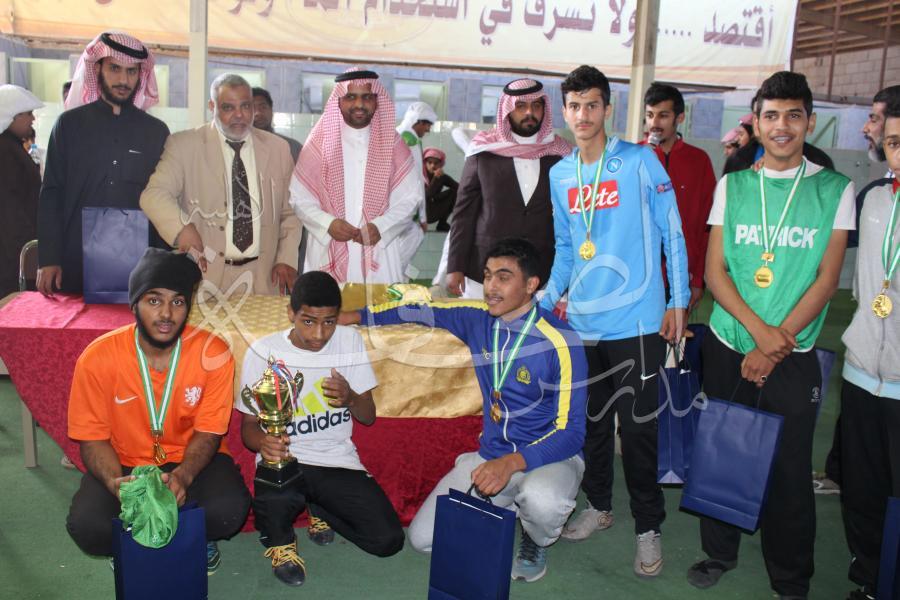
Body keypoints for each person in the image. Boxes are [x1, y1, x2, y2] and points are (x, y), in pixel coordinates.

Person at [686, 71, 855, 599]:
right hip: (730, 342)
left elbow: (826, 280)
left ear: (809, 122)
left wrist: (774, 342)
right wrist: (758, 335)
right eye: (772, 116)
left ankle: (790, 576)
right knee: (723, 449)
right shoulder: (734, 185)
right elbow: (715, 272)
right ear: (756, 125)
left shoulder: (835, 189)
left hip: (792, 350)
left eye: (793, 115)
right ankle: (719, 552)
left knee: (788, 467)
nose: (782, 126)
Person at [342, 238, 586, 583]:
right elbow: (420, 312)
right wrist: (355, 316)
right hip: (491, 456)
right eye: (487, 275)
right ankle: (511, 505)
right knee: (423, 539)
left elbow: (572, 433)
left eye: (503, 277)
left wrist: (512, 463)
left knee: (542, 499)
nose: (491, 286)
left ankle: (535, 535)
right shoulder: (478, 321)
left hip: (549, 459)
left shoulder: (561, 340)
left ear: (531, 284)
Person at [541, 65, 689, 579]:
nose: (583, 115)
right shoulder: (561, 174)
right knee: (593, 426)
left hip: (637, 322)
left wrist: (678, 301)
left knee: (641, 431)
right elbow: (566, 249)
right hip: (583, 324)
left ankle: (648, 527)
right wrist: (546, 300)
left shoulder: (640, 161)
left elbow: (673, 232)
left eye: (592, 105)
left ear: (607, 108)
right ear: (565, 112)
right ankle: (599, 506)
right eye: (574, 106)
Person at [66, 248, 251, 573]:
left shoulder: (214, 354)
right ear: (134, 304)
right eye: (154, 300)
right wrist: (115, 484)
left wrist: (183, 476)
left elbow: (209, 432)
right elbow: (92, 438)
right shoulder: (97, 358)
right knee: (88, 526)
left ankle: (198, 537)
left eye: (178, 302)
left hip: (189, 457)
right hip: (124, 460)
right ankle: (128, 542)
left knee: (229, 511)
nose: (166, 313)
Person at [238, 271, 403, 587]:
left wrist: (350, 397)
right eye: (308, 321)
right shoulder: (262, 351)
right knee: (273, 495)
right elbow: (247, 428)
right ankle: (282, 543)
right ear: (291, 313)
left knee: (387, 541)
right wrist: (264, 443)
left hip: (336, 460)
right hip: (285, 461)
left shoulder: (349, 341)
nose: (319, 334)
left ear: (338, 317)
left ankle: (320, 508)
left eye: (329, 322)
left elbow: (368, 416)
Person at [140, 73, 301, 296]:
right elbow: (153, 195)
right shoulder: (184, 145)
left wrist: (286, 258)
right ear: (212, 106)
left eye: (246, 106)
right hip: (204, 278)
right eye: (228, 107)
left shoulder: (278, 149)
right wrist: (182, 228)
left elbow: (290, 212)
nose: (239, 115)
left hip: (263, 279)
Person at [37, 31, 170, 296]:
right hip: (75, 257)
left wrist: (163, 268)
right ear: (97, 68)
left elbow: (164, 197)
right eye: (114, 69)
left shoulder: (155, 132)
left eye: (132, 71)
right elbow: (51, 193)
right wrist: (49, 258)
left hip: (139, 264)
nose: (123, 80)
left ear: (141, 75)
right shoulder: (69, 125)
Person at [838, 101, 900, 600]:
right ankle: (871, 579)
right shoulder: (874, 197)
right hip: (861, 372)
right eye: (895, 143)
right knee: (863, 491)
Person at [290, 68, 422, 284]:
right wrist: (328, 224)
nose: (359, 104)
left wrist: (381, 226)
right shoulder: (318, 144)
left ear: (377, 101)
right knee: (329, 305)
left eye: (367, 97)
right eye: (351, 97)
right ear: (339, 101)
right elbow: (299, 198)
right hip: (326, 252)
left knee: (379, 306)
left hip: (379, 252)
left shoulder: (394, 145)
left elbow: (411, 199)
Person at [446, 78, 571, 299]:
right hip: (485, 271)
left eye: (536, 105)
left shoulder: (561, 155)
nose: (529, 112)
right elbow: (463, 215)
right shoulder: (483, 153)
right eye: (521, 106)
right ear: (507, 110)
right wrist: (455, 266)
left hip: (541, 273)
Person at [642, 82, 716, 312]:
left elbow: (706, 226)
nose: (655, 123)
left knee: (673, 335)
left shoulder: (699, 161)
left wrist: (697, 280)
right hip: (638, 275)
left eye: (663, 115)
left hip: (680, 275)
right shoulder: (632, 156)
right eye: (650, 115)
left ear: (680, 118)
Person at [0, 85, 43, 297]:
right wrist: (25, 256)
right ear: (13, 116)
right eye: (28, 113)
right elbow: (10, 211)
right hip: (12, 257)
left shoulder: (12, 146)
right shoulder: (5, 151)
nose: (32, 119)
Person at [395, 101, 438, 277]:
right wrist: (422, 217)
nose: (428, 130)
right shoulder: (411, 139)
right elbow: (417, 178)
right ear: (418, 122)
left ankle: (397, 278)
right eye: (427, 125)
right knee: (416, 234)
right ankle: (393, 279)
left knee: (394, 248)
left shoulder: (397, 133)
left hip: (392, 205)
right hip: (405, 205)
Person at [252, 86, 302, 162]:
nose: (258, 113)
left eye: (263, 107)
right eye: (252, 108)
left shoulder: (292, 147)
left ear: (271, 110)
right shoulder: (238, 148)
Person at [423, 147, 458, 232]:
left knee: (454, 193)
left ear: (440, 164)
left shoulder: (441, 177)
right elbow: (427, 196)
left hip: (435, 210)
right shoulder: (421, 176)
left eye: (436, 163)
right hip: (422, 214)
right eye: (429, 162)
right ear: (425, 163)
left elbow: (459, 187)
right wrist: (435, 179)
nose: (433, 166)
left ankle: (442, 223)